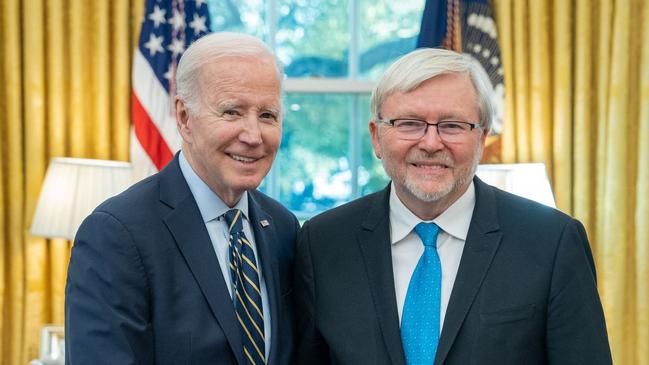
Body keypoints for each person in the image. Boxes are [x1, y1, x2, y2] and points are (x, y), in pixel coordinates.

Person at [293, 48, 612, 364]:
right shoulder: (324, 243)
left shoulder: (552, 242)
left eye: (453, 125)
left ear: (482, 138)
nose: (431, 143)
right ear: (377, 137)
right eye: (409, 123)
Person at [65, 32, 299, 365]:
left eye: (267, 116)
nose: (253, 136)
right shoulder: (117, 234)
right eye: (232, 112)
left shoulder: (283, 227)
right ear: (184, 117)